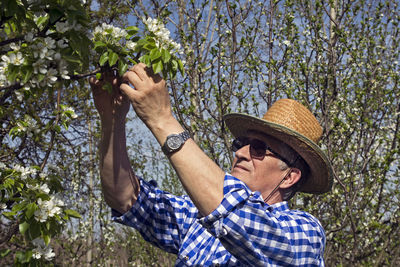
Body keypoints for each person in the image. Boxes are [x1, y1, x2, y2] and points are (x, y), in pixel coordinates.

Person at [89, 63, 333, 266]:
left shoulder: (305, 236)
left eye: (259, 149)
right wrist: (113, 120)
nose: (241, 153)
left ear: (290, 176)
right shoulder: (199, 220)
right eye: (241, 143)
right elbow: (127, 198)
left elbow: (235, 215)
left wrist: (162, 119)